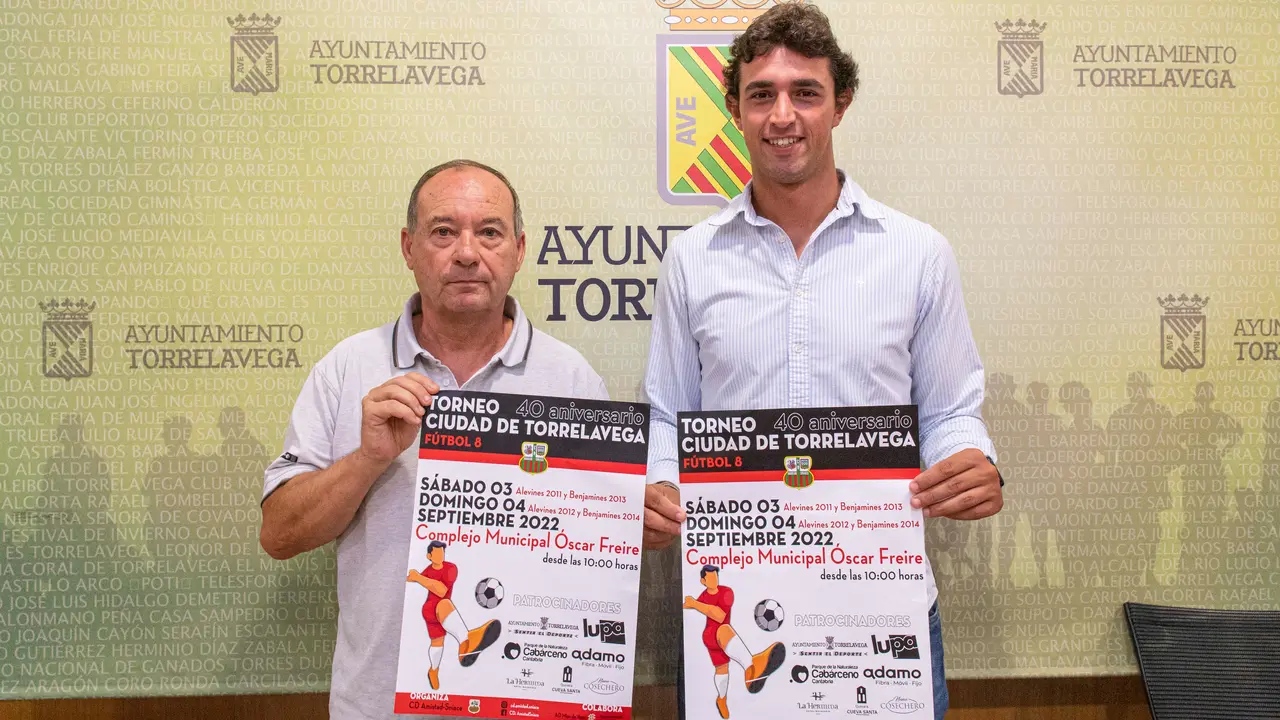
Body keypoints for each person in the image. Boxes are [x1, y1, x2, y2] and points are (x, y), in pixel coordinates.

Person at [642, 5, 1003, 717]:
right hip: (736, 595)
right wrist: (659, 484)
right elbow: (669, 418)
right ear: (735, 111)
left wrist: (972, 461)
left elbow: (950, 412)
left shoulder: (917, 253)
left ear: (840, 103)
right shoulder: (692, 260)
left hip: (881, 604)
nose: (783, 115)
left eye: (805, 92)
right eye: (762, 95)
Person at [260, 159, 608, 720]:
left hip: (531, 702)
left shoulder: (571, 380)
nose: (467, 253)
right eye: (443, 232)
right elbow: (279, 534)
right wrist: (368, 459)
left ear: (519, 250)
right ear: (408, 247)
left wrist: (633, 520)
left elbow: (599, 547)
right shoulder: (347, 368)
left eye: (489, 232)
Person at [683, 565, 785, 719]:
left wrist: (695, 604)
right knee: (723, 635)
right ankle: (752, 666)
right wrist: (686, 604)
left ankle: (722, 699)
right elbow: (688, 606)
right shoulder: (703, 595)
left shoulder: (726, 592)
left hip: (722, 634)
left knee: (722, 669)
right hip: (711, 635)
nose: (714, 579)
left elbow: (719, 615)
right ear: (703, 581)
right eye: (711, 577)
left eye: (716, 576)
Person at [406, 540, 501, 690]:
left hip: (442, 608)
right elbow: (410, 578)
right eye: (437, 553)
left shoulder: (451, 568)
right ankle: (466, 641)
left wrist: (418, 577)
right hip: (430, 609)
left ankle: (435, 669)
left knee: (438, 640)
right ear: (429, 556)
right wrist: (412, 577)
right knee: (437, 641)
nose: (440, 555)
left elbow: (441, 590)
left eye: (442, 552)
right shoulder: (428, 571)